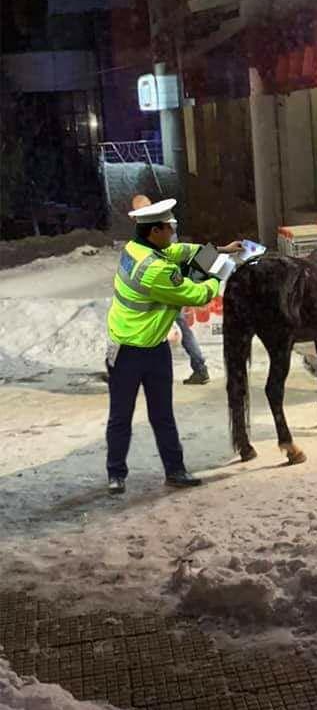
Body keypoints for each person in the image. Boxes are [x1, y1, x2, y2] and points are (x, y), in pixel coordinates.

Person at [105, 197, 225, 495]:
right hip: (130, 352)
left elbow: (176, 251)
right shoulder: (155, 270)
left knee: (156, 415)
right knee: (127, 416)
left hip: (153, 348)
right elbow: (195, 295)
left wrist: (216, 251)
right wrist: (219, 275)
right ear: (154, 231)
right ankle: (119, 474)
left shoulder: (136, 248)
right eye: (169, 228)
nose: (173, 232)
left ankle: (171, 471)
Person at [130, 195, 244, 385]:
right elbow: (189, 252)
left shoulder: (156, 236)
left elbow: (186, 257)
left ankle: (140, 370)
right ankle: (198, 367)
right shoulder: (157, 231)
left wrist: (219, 269)